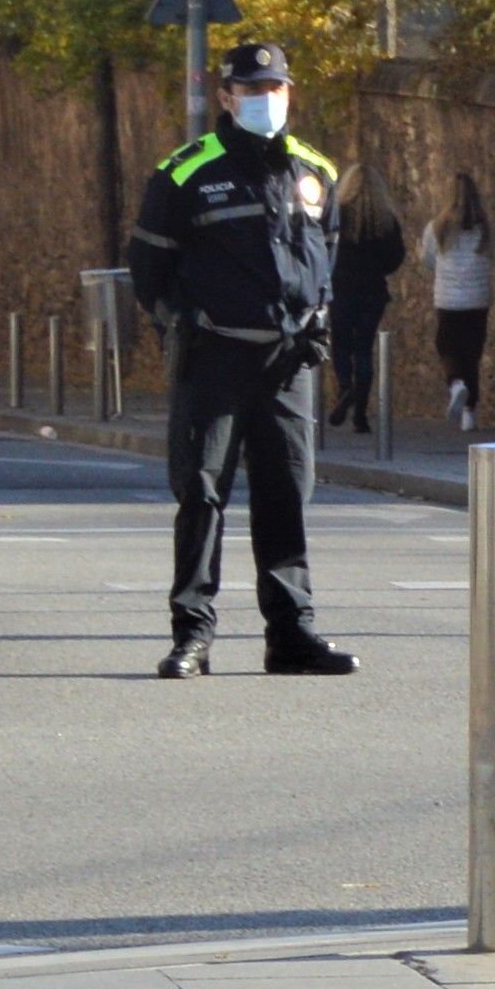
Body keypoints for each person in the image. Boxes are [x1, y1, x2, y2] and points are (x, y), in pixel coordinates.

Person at [125, 39, 356, 681]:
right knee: (202, 494)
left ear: (290, 92)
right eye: (251, 91)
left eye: (274, 89)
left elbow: (326, 259)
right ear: (226, 97)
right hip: (215, 357)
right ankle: (192, 635)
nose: (265, 101)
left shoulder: (315, 171)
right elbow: (149, 269)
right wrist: (182, 323)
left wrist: (318, 321)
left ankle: (291, 636)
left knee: (287, 494)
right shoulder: (185, 171)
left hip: (287, 362)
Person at [327, 171, 405, 439]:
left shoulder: (339, 214)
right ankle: (361, 415)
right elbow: (396, 257)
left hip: (341, 289)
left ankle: (344, 386)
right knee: (364, 348)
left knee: (341, 343)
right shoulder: (385, 220)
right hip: (372, 292)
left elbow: (325, 246)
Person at [429, 170, 495, 430]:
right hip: (478, 300)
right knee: (472, 354)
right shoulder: (486, 230)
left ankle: (456, 383)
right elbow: (494, 256)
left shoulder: (438, 228)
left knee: (446, 347)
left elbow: (427, 257)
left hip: (448, 300)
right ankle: (470, 413)